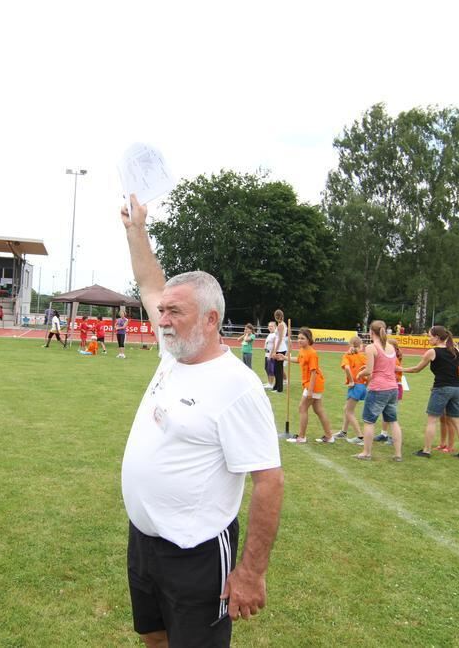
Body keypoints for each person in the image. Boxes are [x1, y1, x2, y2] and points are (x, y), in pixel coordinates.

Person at [120, 193, 283, 647]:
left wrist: (251, 572)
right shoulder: (173, 355)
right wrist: (137, 231)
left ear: (210, 320)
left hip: (197, 553)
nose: (163, 319)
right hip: (145, 541)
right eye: (163, 312)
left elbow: (269, 481)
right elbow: (150, 281)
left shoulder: (237, 387)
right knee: (154, 637)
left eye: (175, 312)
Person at [401, 325, 459, 460]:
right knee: (457, 422)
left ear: (437, 337)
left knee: (432, 420)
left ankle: (426, 450)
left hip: (441, 388)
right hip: (457, 388)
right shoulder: (456, 351)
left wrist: (399, 369)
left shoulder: (432, 352)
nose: (428, 339)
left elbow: (417, 369)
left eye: (429, 336)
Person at [354, 320, 404, 462]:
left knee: (369, 421)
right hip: (392, 388)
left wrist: (360, 374)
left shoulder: (371, 347)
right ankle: (398, 454)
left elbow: (369, 370)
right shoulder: (391, 347)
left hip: (378, 388)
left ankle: (366, 452)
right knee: (393, 421)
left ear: (371, 332)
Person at [286, 327, 335, 444]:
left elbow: (313, 372)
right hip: (310, 385)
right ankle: (329, 436)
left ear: (309, 340)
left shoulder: (312, 353)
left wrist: (310, 390)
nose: (299, 340)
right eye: (298, 338)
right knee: (319, 410)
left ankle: (301, 437)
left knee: (302, 408)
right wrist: (285, 357)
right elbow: (299, 360)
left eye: (302, 338)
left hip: (313, 385)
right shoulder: (302, 350)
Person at [335, 335, 369, 444]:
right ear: (361, 346)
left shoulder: (347, 356)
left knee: (348, 411)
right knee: (347, 408)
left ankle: (360, 437)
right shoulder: (363, 356)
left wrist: (351, 381)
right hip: (362, 386)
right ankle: (343, 432)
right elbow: (369, 372)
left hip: (356, 386)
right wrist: (366, 384)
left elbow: (347, 368)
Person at [271, 309, 289, 392]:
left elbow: (280, 338)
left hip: (281, 348)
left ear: (276, 316)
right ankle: (276, 386)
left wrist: (275, 350)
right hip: (279, 348)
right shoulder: (280, 324)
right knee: (276, 369)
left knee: (278, 369)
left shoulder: (281, 325)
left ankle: (279, 389)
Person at [262, 321, 276, 389]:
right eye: (269, 326)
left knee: (271, 369)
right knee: (266, 368)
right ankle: (269, 382)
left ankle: (271, 384)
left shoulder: (275, 335)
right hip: (266, 353)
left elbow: (274, 345)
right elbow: (268, 343)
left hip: (271, 354)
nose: (270, 327)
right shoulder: (270, 334)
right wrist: (265, 346)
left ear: (275, 327)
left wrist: (271, 354)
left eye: (272, 326)